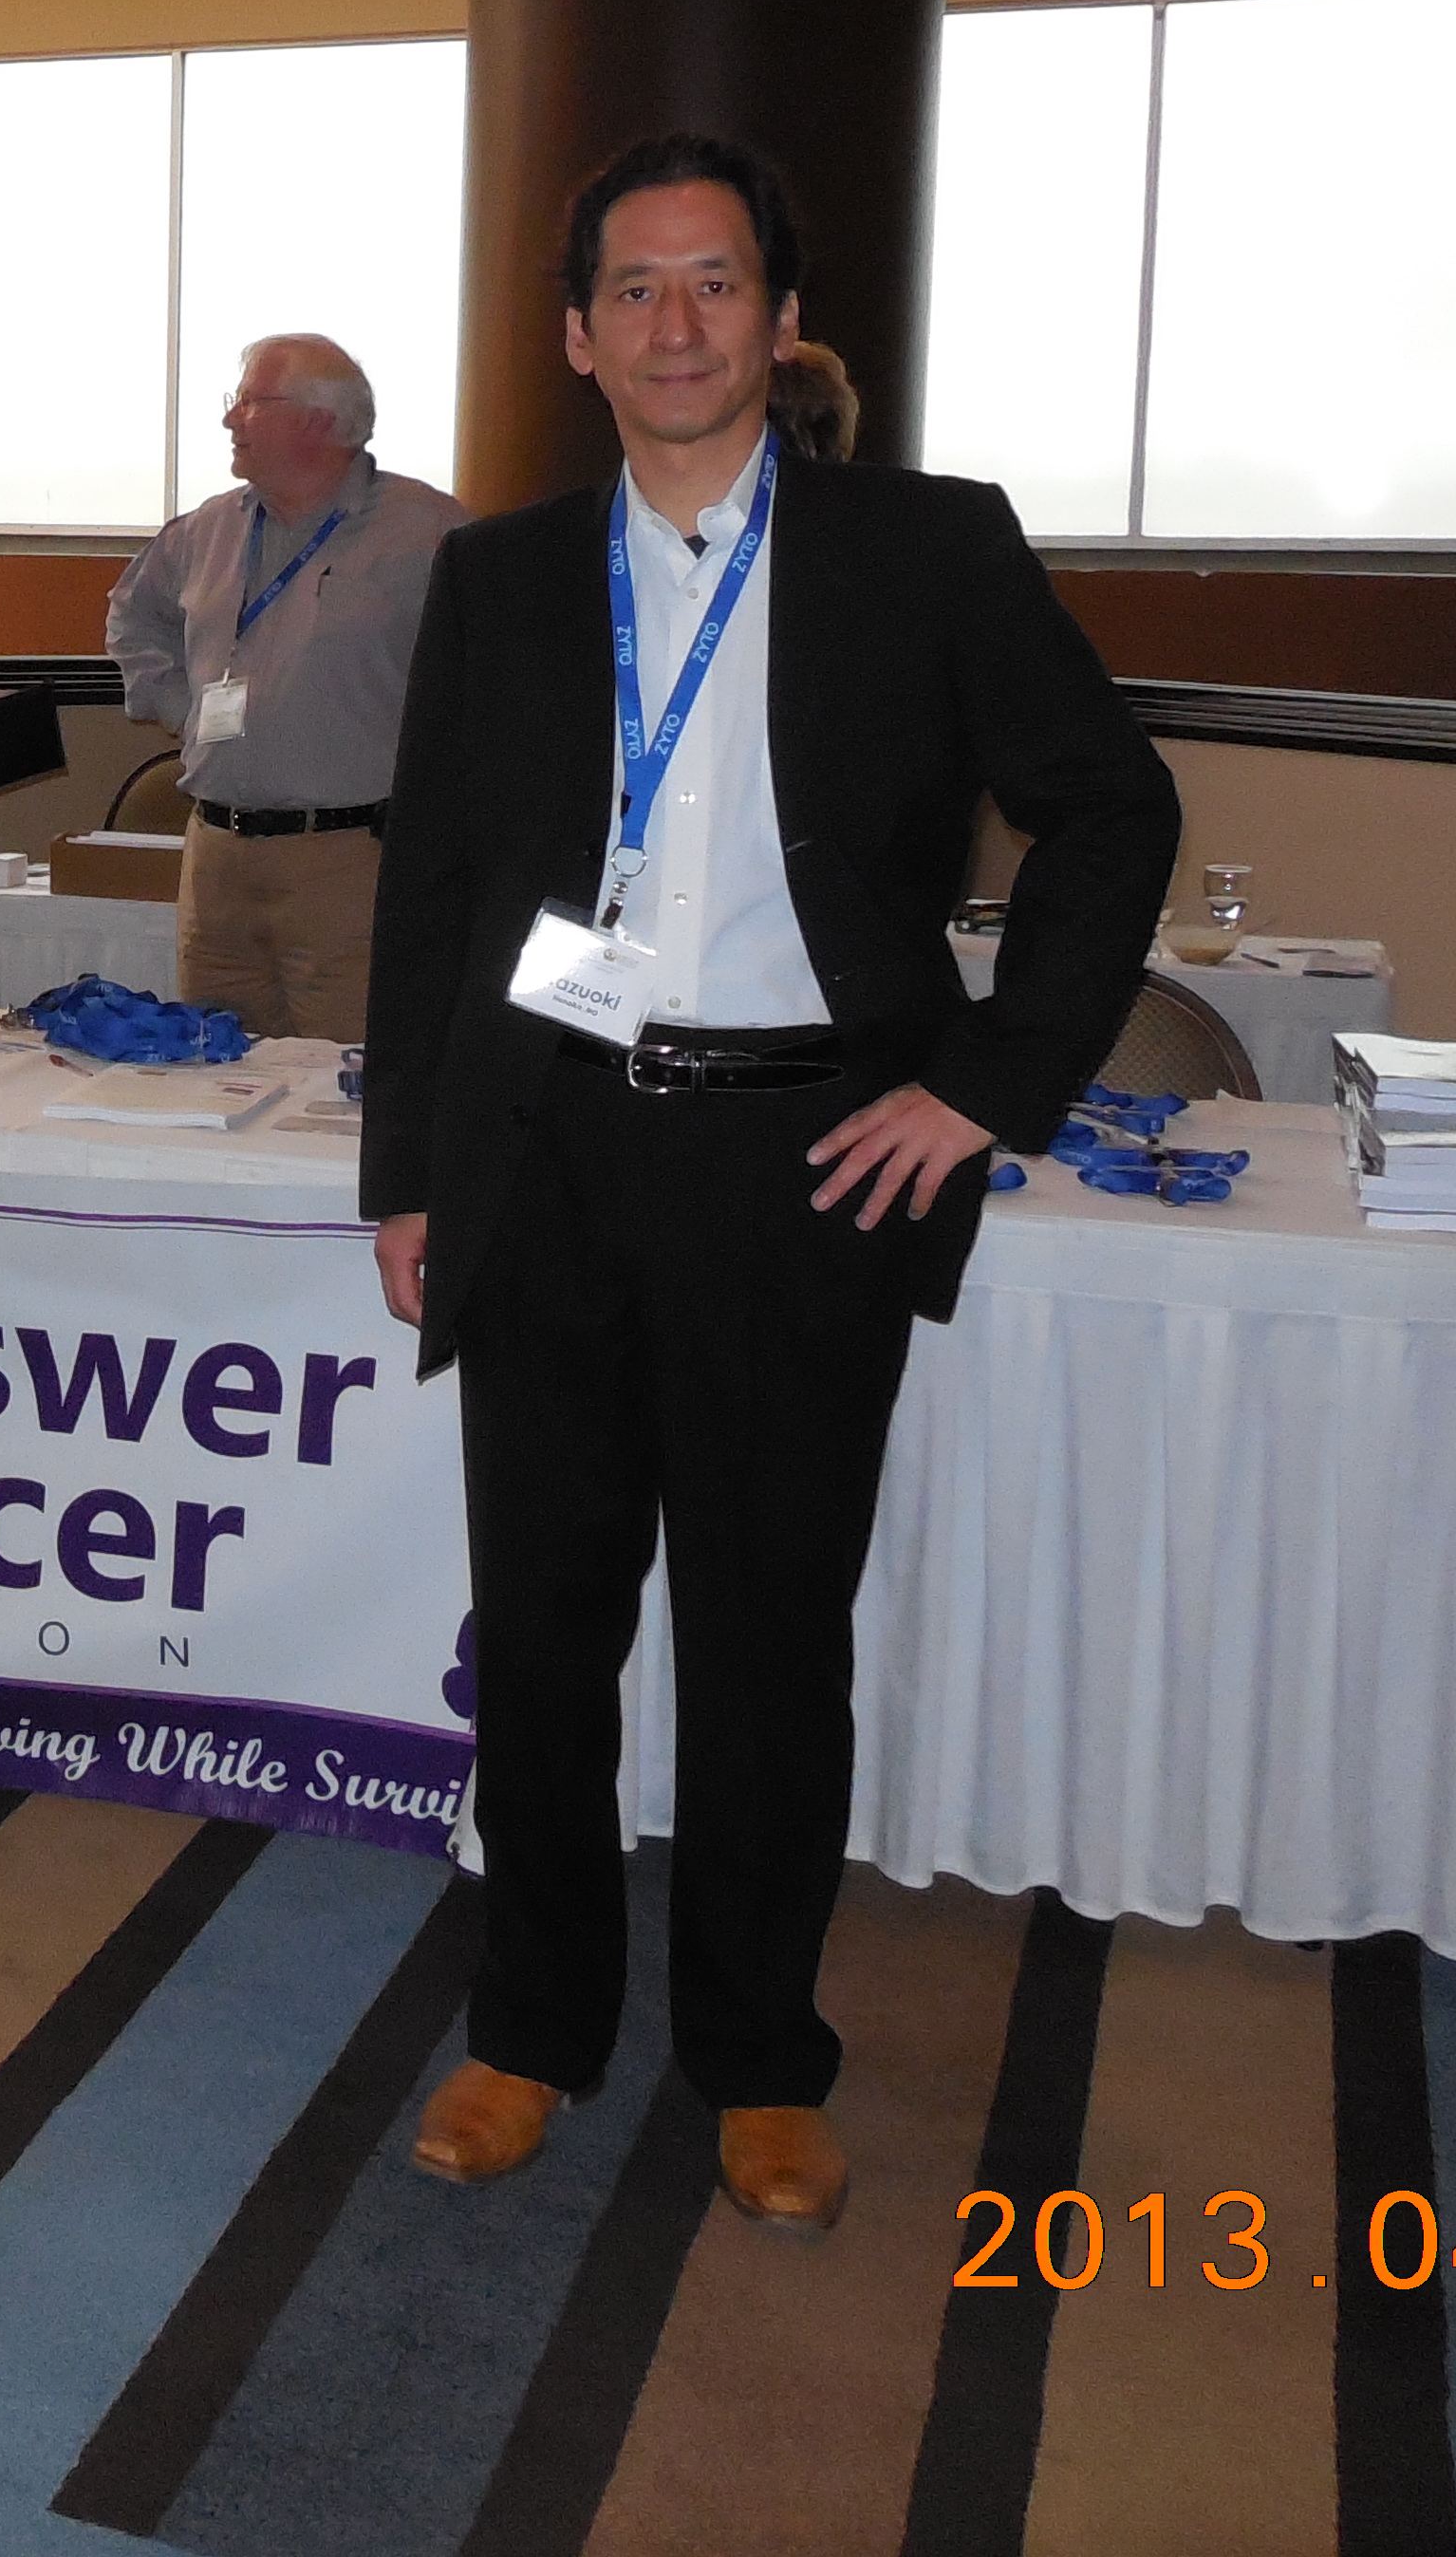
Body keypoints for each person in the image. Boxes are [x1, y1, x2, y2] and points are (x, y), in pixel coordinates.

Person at [362, 134, 1175, 2232]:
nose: (676, 324)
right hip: (549, 1158)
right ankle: (532, 2028)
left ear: (782, 318)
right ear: (575, 335)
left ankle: (756, 2054)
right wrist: (408, 1172)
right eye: (633, 289)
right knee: (544, 1631)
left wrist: (981, 1090)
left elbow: (1110, 810)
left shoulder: (928, 548)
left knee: (766, 1638)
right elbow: (433, 889)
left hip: (806, 1164)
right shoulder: (501, 576)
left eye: (716, 282)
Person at [105, 333, 463, 1039]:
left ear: (317, 421)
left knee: (338, 1080)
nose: (229, 418)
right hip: (216, 859)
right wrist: (184, 710)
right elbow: (132, 617)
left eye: (249, 402)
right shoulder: (206, 530)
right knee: (218, 1070)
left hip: (348, 860)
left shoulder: (431, 534)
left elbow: (494, 678)